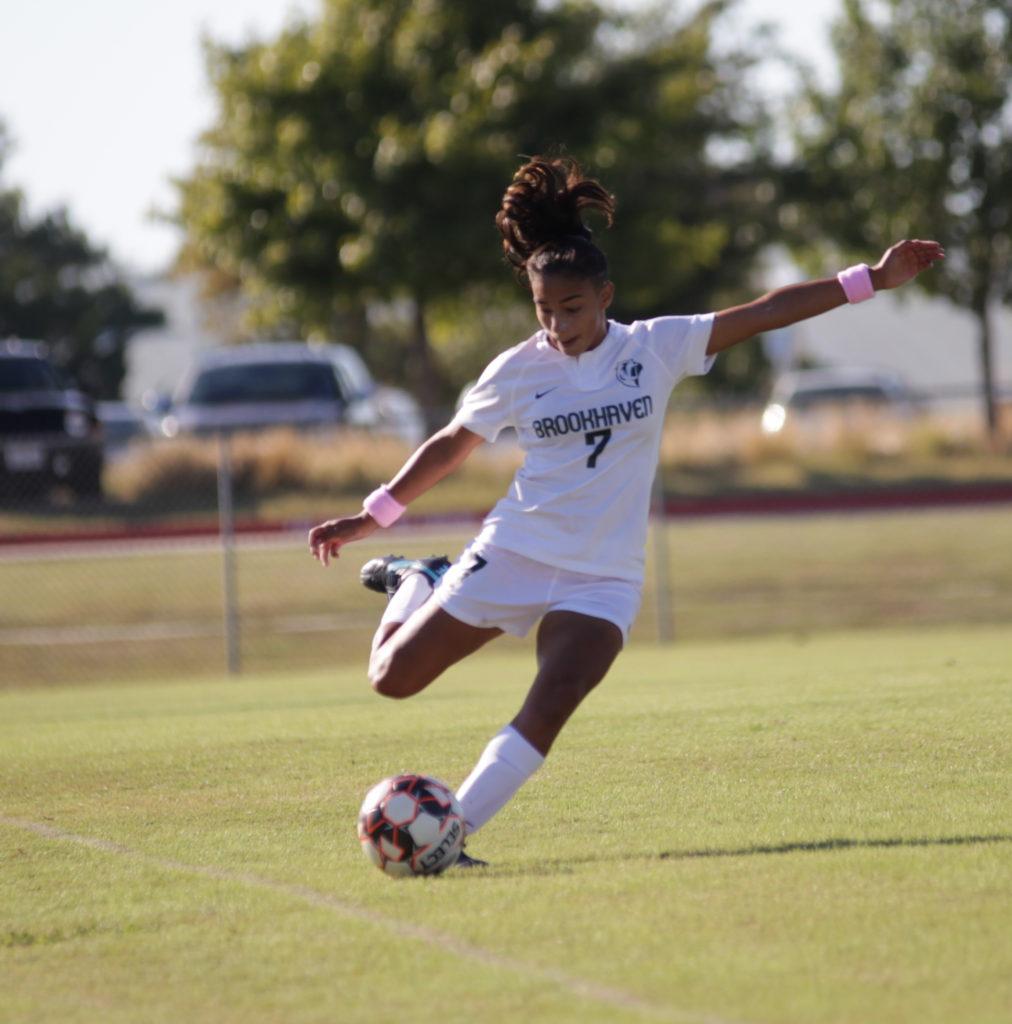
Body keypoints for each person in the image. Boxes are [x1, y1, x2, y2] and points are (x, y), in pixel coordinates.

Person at [309, 156, 944, 867]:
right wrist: (374, 516)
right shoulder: (518, 369)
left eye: (571, 308)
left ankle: (451, 838)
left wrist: (871, 280)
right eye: (544, 311)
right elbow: (451, 444)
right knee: (391, 680)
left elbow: (765, 312)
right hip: (516, 550)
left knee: (549, 707)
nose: (557, 324)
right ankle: (416, 581)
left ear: (605, 296)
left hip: (603, 576)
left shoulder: (656, 347)